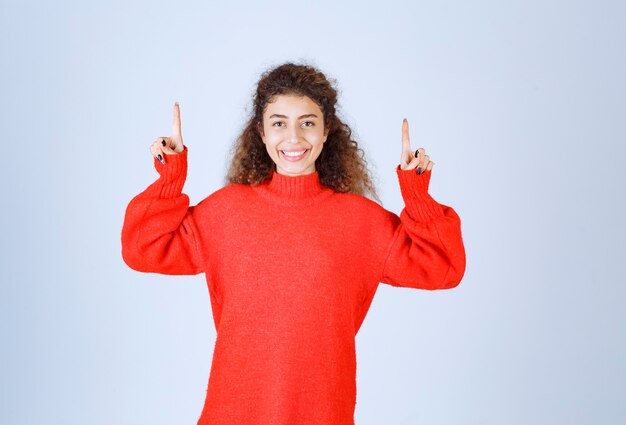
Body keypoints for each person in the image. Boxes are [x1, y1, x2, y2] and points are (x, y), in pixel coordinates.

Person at [121, 62, 466, 425]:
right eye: (279, 123)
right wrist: (170, 177)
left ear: (326, 130)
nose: (293, 138)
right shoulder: (226, 212)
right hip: (232, 414)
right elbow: (141, 248)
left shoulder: (360, 221)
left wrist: (417, 194)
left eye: (307, 122)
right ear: (262, 132)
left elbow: (443, 265)